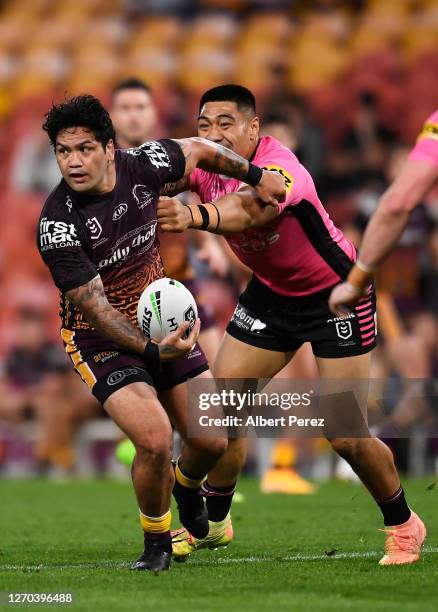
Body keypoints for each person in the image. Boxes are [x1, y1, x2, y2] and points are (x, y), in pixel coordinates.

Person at [158, 84, 426, 566]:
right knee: (221, 413)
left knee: (343, 431)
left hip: (335, 295)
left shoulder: (282, 166)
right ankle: (214, 524)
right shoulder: (202, 161)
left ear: (253, 128)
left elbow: (252, 207)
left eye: (226, 124)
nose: (214, 134)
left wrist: (194, 215)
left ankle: (404, 523)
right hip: (271, 295)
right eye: (204, 125)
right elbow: (156, 178)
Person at [36, 94, 285, 572]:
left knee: (213, 439)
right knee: (154, 437)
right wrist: (153, 350)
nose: (74, 161)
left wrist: (257, 176)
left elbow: (198, 148)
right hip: (99, 339)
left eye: (84, 148)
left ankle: (187, 489)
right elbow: (96, 307)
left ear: (110, 149)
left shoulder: (144, 164)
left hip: (160, 320)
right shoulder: (57, 223)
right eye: (63, 152)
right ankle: (156, 542)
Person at [329, 109, 438, 316]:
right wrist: (353, 283)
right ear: (387, 168)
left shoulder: (425, 211)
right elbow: (347, 245)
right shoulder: (372, 203)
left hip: (414, 296)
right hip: (379, 294)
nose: (407, 168)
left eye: (409, 161)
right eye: (399, 163)